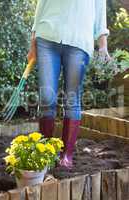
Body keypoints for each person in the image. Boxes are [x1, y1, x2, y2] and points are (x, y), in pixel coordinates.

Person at [27, 0, 111, 169]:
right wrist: (33, 40)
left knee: (72, 99)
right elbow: (42, 4)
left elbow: (100, 12)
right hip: (47, 36)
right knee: (46, 97)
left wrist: (103, 45)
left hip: (79, 42)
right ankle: (46, 153)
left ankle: (67, 155)